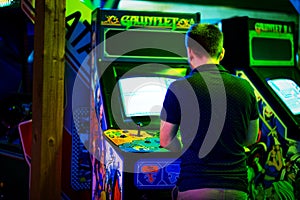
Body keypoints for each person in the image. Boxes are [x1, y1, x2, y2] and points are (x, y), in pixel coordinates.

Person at [160, 23, 259, 200]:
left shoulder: (179, 87)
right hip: (236, 188)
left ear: (190, 52)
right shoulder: (246, 88)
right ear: (222, 53)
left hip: (195, 186)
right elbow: (250, 138)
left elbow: (165, 140)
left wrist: (185, 148)